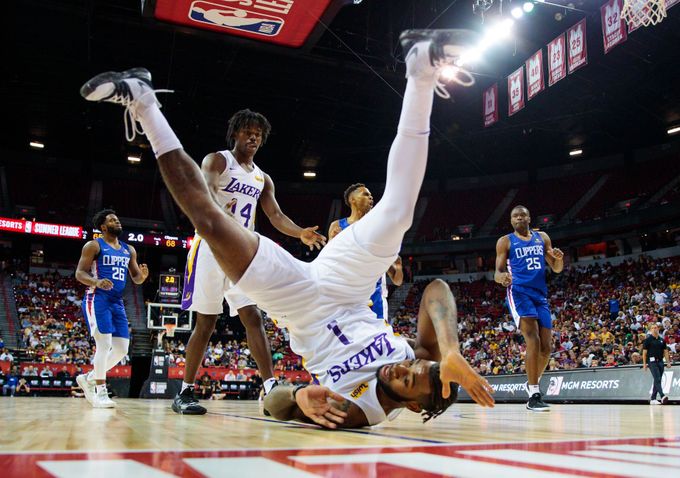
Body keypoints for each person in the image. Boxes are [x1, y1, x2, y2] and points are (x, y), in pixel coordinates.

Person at [79, 28, 494, 429]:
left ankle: (144, 102)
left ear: (413, 406)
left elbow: (274, 404)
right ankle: (421, 68)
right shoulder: (425, 359)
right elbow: (437, 289)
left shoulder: (356, 410)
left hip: (301, 304)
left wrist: (296, 398)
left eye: (406, 379)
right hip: (347, 288)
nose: (403, 366)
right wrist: (451, 351)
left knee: (208, 220)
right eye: (414, 365)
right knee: (400, 212)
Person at [175, 109, 326, 415]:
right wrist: (223, 213)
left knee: (252, 316)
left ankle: (269, 387)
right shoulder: (217, 159)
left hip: (242, 251)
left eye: (258, 133)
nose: (254, 137)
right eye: (248, 131)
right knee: (205, 322)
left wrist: (301, 234)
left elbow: (276, 216)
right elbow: (209, 188)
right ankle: (185, 392)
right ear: (235, 133)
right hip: (210, 245)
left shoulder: (262, 178)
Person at [75, 209, 149, 408]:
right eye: (112, 220)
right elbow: (79, 274)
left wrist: (142, 276)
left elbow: (136, 279)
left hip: (117, 301)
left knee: (121, 349)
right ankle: (100, 392)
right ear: (103, 227)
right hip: (97, 298)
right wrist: (96, 282)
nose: (117, 221)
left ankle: (88, 378)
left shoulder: (128, 249)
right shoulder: (93, 245)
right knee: (104, 344)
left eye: (117, 219)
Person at [494, 205, 563, 412]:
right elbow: (497, 272)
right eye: (515, 216)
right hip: (518, 292)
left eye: (522, 214)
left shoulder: (542, 237)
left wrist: (559, 259)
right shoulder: (505, 241)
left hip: (539, 294)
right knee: (532, 339)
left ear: (529, 217)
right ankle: (534, 394)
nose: (519, 218)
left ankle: (532, 382)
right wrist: (502, 279)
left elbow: (556, 268)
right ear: (511, 220)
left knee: (547, 347)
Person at [328, 183, 404, 322]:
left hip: (375, 298)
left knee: (377, 341)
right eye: (365, 194)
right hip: (347, 296)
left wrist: (398, 267)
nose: (371, 197)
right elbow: (329, 264)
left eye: (370, 195)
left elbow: (397, 281)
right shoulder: (337, 227)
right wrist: (332, 244)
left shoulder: (380, 230)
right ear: (352, 200)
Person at [642, 323, 671, 405]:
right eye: (653, 328)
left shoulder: (662, 340)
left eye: (656, 327)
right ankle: (662, 396)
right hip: (652, 362)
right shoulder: (648, 340)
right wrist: (644, 364)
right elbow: (644, 353)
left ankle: (653, 399)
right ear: (650, 330)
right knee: (657, 378)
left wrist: (668, 362)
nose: (655, 329)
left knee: (657, 379)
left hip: (661, 362)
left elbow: (665, 352)